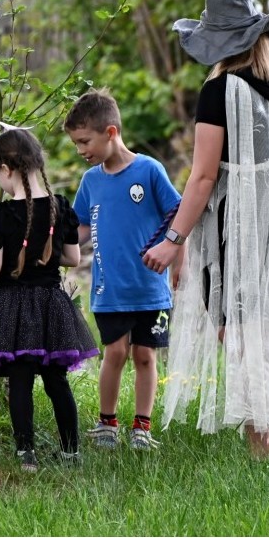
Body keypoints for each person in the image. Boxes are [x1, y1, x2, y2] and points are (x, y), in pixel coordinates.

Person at [143, 0, 269, 459]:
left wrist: (174, 240)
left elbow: (203, 176)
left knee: (239, 333)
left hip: (236, 228)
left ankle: (262, 457)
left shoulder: (219, 90)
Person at [0, 128, 100, 472]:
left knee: (21, 380)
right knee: (57, 381)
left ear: (8, 169)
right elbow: (72, 258)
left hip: (14, 306)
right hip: (52, 304)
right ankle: (71, 451)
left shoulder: (2, 216)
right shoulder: (61, 207)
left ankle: (26, 453)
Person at [64, 89, 183, 451]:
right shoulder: (91, 181)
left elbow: (178, 213)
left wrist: (180, 262)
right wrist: (57, 244)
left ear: (111, 132)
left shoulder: (148, 170)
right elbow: (81, 227)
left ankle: (142, 427)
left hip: (149, 288)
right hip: (109, 289)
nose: (81, 150)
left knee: (144, 355)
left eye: (85, 141)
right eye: (76, 144)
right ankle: (107, 423)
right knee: (114, 352)